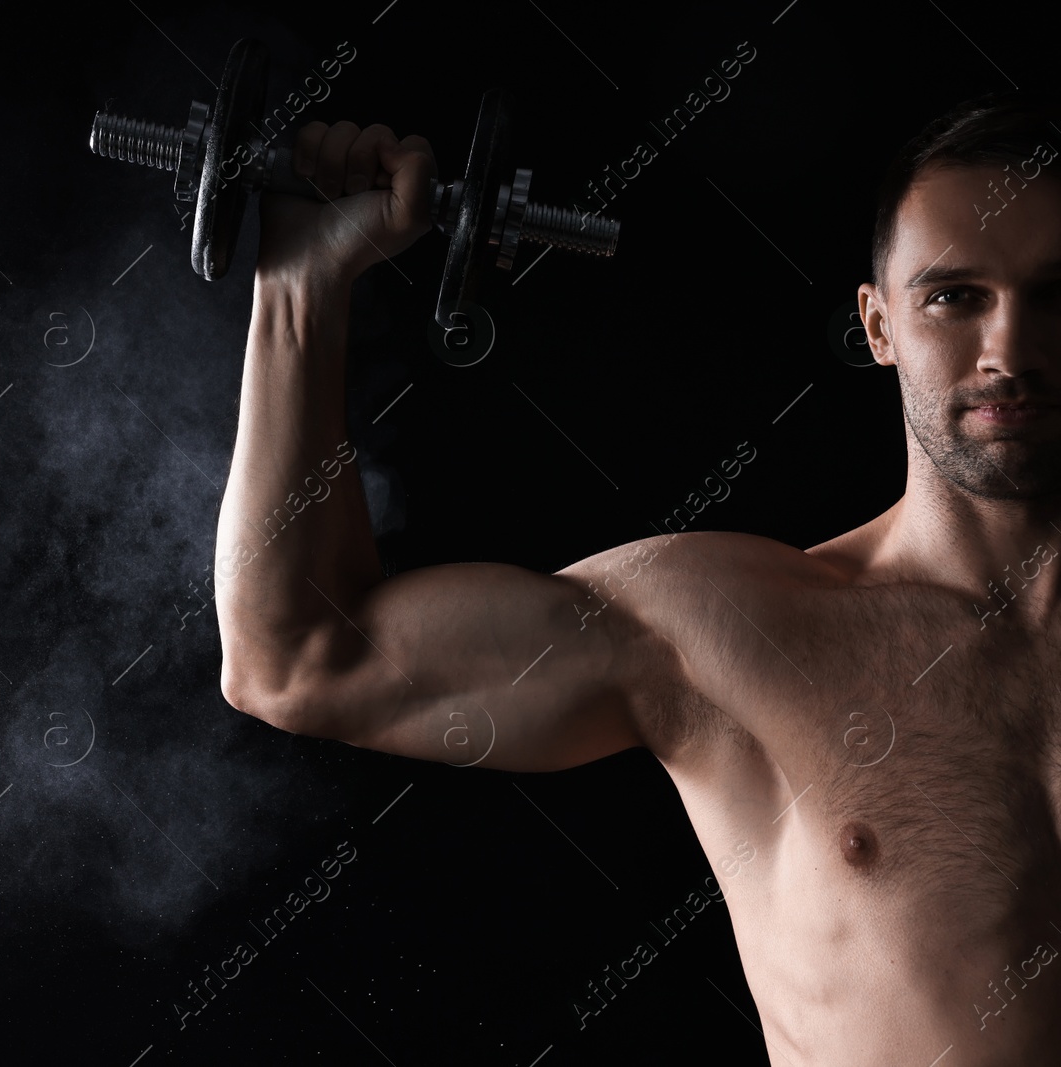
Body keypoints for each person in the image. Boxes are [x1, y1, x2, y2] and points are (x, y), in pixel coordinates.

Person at [213, 89, 1061, 1064]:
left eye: (1056, 294)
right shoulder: (725, 626)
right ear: (876, 325)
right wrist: (298, 289)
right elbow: (294, 656)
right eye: (954, 296)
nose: (1007, 351)